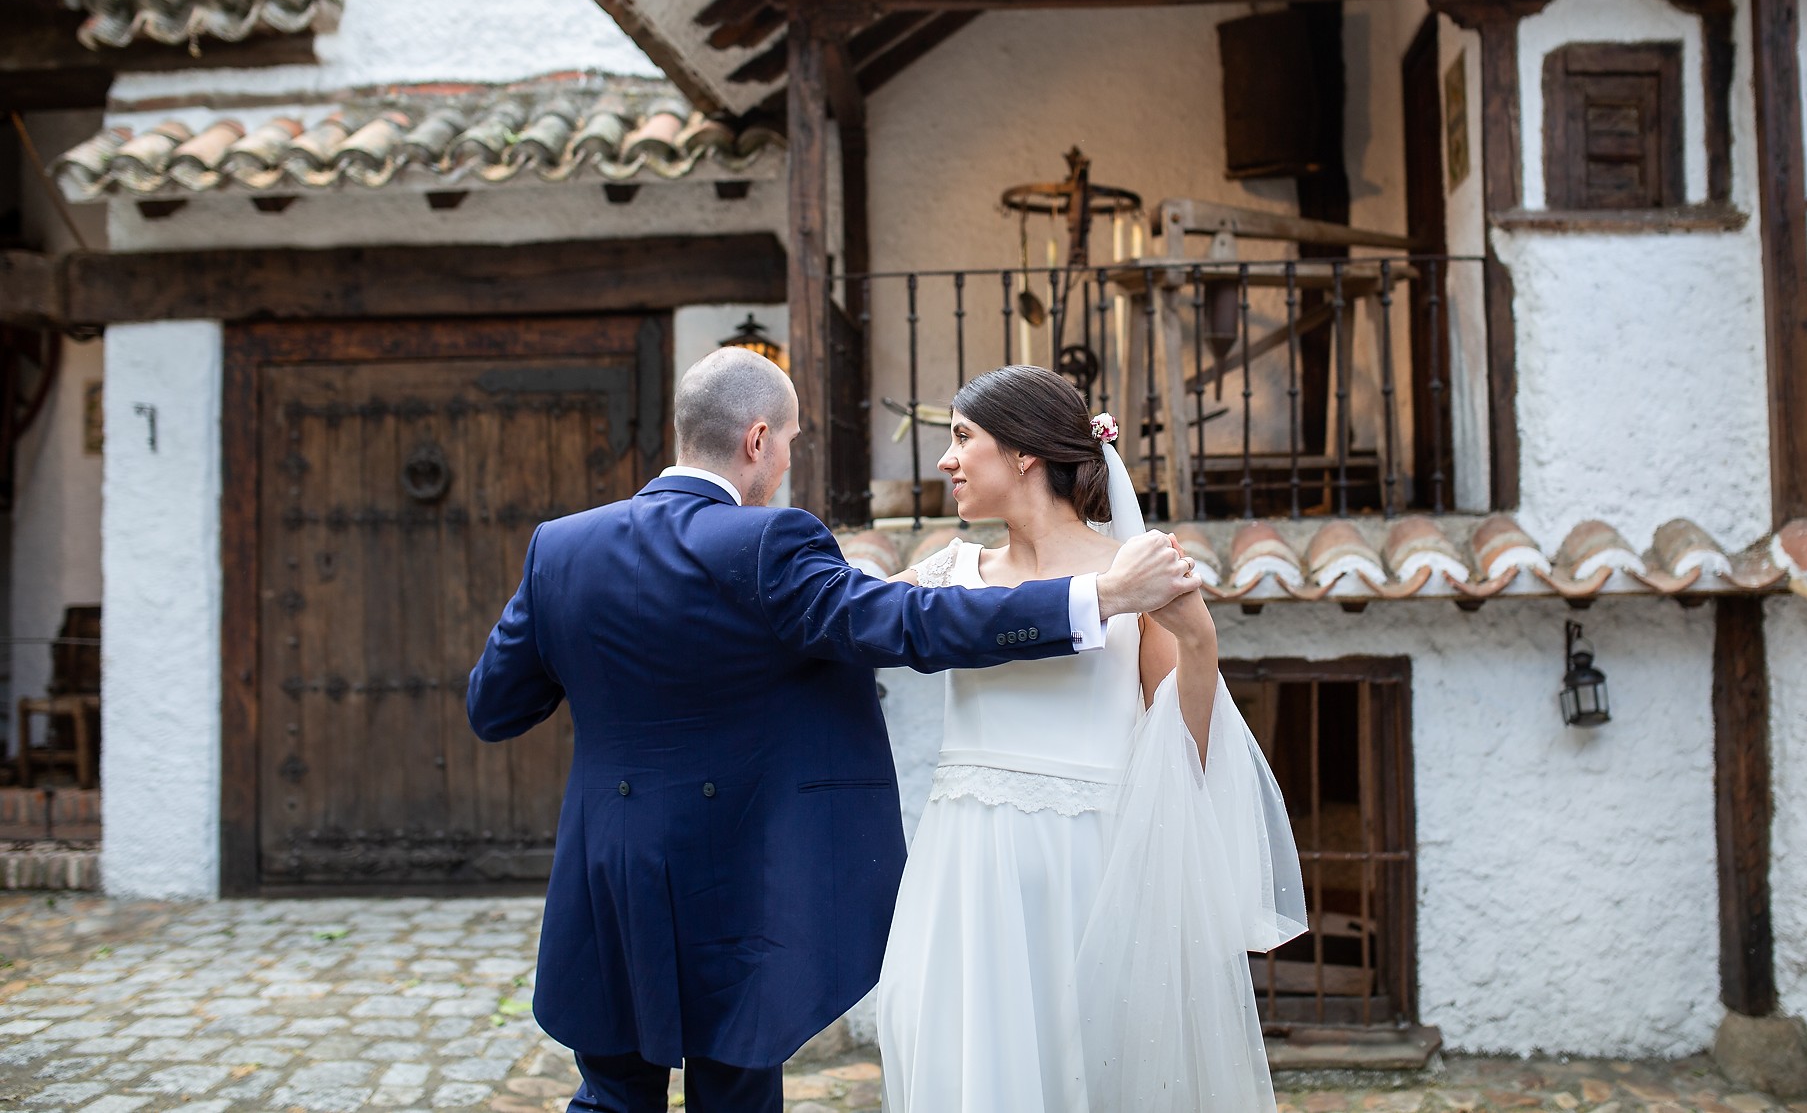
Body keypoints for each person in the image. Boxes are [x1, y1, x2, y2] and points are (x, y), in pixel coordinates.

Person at [464, 348, 1201, 1113]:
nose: (786, 460)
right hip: (733, 872)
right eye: (789, 440)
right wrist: (1100, 596)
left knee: (612, 1090)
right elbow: (906, 621)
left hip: (608, 867)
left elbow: (495, 707)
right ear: (756, 441)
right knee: (735, 1088)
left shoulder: (561, 547)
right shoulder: (766, 543)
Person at [876, 365, 1307, 1113]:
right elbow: (857, 620)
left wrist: (1200, 642)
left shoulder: (1136, 573)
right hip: (968, 872)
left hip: (1094, 871)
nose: (946, 459)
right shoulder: (949, 572)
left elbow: (1187, 746)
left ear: (1023, 455)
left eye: (962, 437)